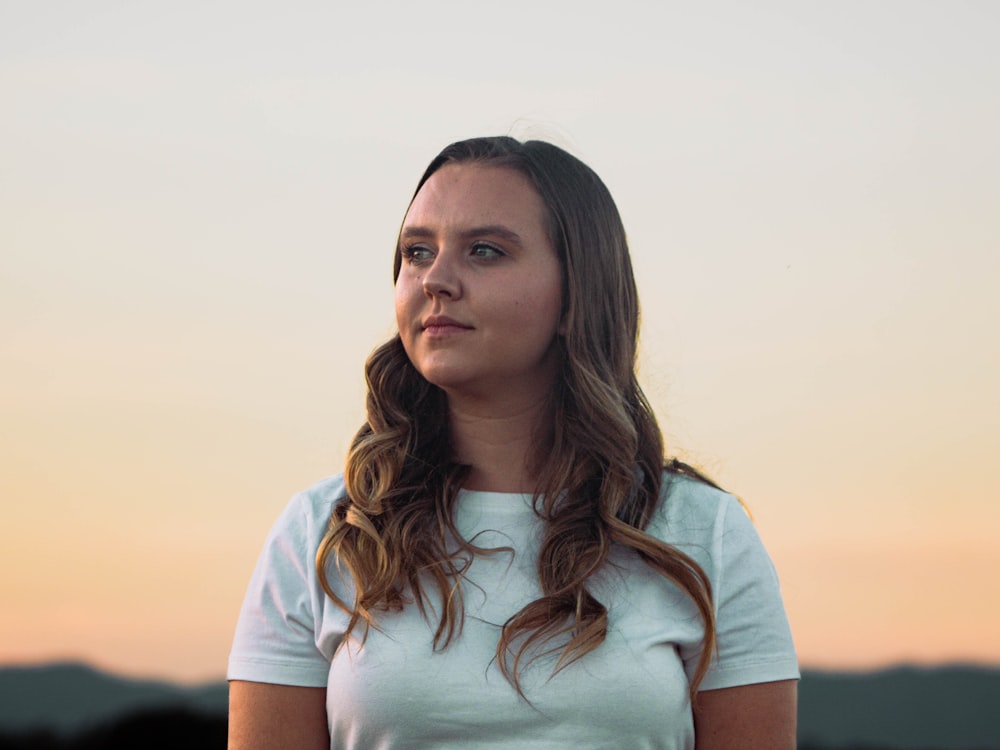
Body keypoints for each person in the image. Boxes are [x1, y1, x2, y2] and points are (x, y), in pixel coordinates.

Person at [227, 136, 799, 749]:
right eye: (416, 252)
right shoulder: (323, 535)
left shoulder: (700, 534)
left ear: (577, 293)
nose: (436, 279)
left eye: (485, 251)